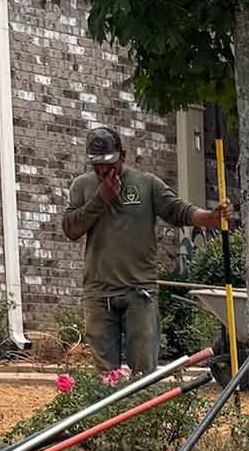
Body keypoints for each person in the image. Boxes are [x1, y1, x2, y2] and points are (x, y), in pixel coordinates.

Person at [60, 126, 227, 375]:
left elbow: (177, 210)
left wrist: (209, 218)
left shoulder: (146, 184)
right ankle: (110, 411)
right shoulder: (82, 186)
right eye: (97, 165)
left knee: (144, 372)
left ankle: (144, 412)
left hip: (140, 292)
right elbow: (71, 229)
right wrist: (100, 199)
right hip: (98, 292)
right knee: (104, 375)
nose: (104, 170)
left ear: (123, 155)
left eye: (109, 163)